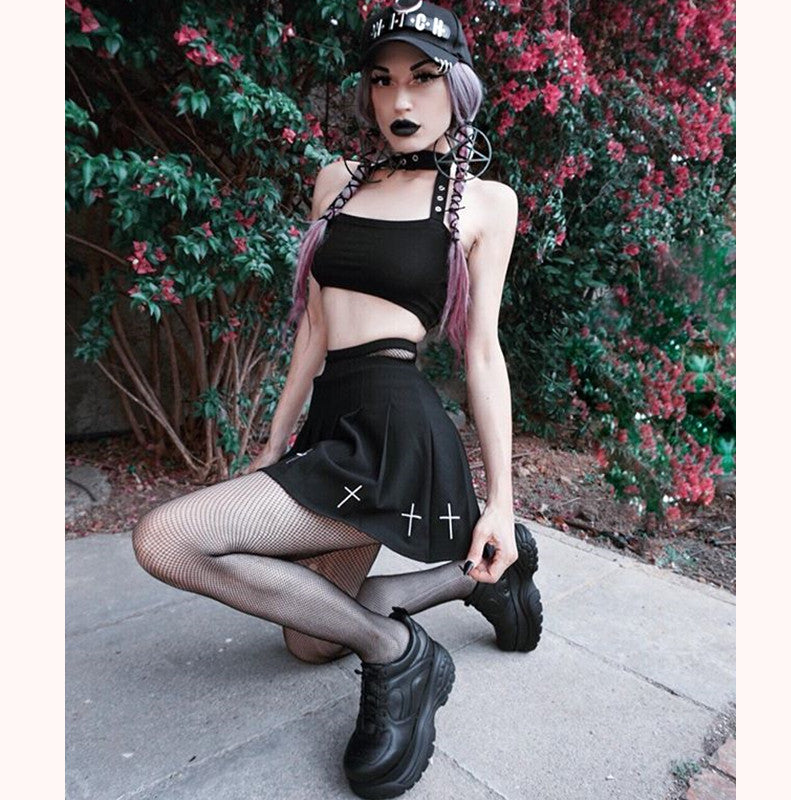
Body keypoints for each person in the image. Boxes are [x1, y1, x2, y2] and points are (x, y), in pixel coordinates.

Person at [132, 2, 542, 797]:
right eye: (383, 80)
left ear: (458, 86)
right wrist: (274, 441)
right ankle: (480, 576)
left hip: (395, 427)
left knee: (166, 539)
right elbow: (315, 330)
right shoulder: (337, 181)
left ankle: (400, 656)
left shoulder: (484, 201)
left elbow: (482, 353)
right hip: (332, 418)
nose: (401, 100)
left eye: (423, 78)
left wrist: (499, 499)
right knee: (310, 640)